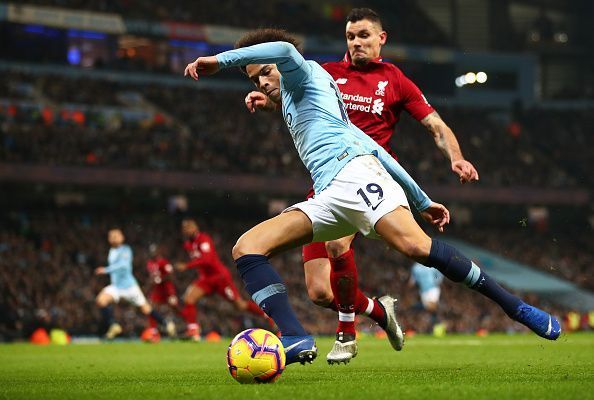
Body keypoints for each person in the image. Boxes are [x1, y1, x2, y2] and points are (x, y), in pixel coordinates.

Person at [183, 28, 561, 364]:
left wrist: (218, 61)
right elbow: (371, 145)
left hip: (355, 176)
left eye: (264, 72)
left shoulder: (305, 71)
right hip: (330, 193)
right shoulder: (300, 101)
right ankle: (296, 337)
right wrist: (421, 197)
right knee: (246, 247)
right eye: (254, 79)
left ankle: (517, 308)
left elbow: (283, 50)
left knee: (417, 249)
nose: (262, 82)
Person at [244, 8, 479, 363]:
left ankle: (346, 336)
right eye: (351, 37)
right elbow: (298, 103)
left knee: (339, 245)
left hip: (370, 180)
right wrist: (269, 99)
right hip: (326, 183)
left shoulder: (396, 80)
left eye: (364, 35)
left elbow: (435, 125)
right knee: (320, 293)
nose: (356, 42)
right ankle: (379, 312)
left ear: (381, 38)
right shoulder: (324, 72)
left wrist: (456, 157)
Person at [176, 218, 274, 341]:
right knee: (189, 298)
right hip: (206, 279)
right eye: (184, 228)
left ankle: (268, 316)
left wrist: (187, 266)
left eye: (189, 227)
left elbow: (207, 259)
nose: (187, 230)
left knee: (239, 305)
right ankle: (193, 331)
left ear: (195, 228)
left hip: (220, 277)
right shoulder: (188, 244)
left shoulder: (203, 240)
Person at [95, 228, 173, 339]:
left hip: (129, 287)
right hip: (116, 287)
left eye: (116, 235)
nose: (113, 238)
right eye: (111, 236)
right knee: (101, 300)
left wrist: (106, 269)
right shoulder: (111, 251)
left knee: (146, 309)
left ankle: (166, 323)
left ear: (122, 238)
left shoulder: (126, 250)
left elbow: (124, 265)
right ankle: (113, 325)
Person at [142, 243, 178, 342]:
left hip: (167, 288)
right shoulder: (149, 263)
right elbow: (152, 278)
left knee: (174, 307)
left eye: (154, 250)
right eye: (151, 251)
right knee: (152, 309)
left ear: (158, 251)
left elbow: (170, 275)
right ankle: (154, 332)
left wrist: (160, 279)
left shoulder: (164, 262)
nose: (152, 253)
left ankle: (177, 328)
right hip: (157, 290)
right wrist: (147, 287)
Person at [409, 262, 445, 335]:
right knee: (429, 309)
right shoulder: (415, 267)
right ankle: (436, 325)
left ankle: (438, 324)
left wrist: (438, 281)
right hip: (423, 291)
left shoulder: (432, 264)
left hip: (433, 288)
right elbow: (413, 278)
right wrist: (411, 284)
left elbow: (439, 274)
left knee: (432, 306)